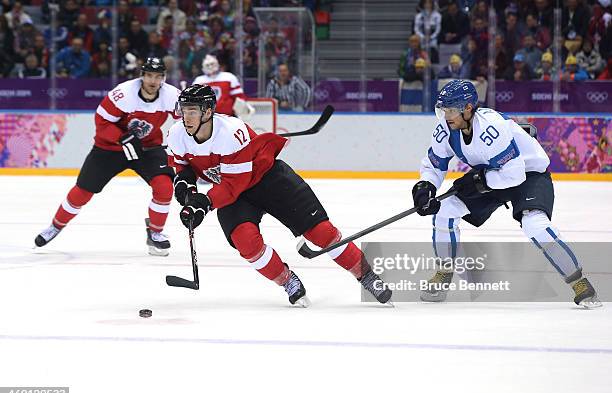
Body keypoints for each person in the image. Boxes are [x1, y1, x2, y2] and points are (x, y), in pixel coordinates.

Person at [167, 84, 393, 306]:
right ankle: (287, 281)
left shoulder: (229, 133)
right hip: (235, 196)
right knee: (246, 242)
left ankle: (367, 275)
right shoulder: (177, 133)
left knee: (322, 233)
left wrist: (204, 203)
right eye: (184, 110)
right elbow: (182, 165)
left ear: (208, 111)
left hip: (268, 180)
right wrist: (185, 187)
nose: (186, 117)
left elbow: (233, 184)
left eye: (193, 111)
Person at [411, 80, 601, 309]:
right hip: (491, 175)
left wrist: (479, 182)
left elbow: (514, 175)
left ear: (468, 108)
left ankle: (578, 281)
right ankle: (444, 272)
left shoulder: (492, 127)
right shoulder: (446, 128)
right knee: (445, 212)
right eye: (444, 109)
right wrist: (426, 187)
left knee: (535, 225)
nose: (446, 115)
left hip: (528, 175)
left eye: (451, 110)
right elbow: (434, 166)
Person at [35, 58, 181, 256]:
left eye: (158, 76)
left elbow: (185, 121)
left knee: (164, 187)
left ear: (163, 78)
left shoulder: (172, 95)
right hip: (110, 148)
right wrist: (122, 137)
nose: (153, 81)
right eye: (149, 75)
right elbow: (101, 122)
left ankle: (155, 233)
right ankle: (55, 226)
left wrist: (182, 141)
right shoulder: (123, 94)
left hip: (147, 148)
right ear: (142, 76)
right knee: (83, 191)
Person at [192, 54, 253, 118]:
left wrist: (245, 107)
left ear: (217, 64)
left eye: (212, 64)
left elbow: (239, 97)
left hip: (227, 117)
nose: (210, 67)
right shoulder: (198, 81)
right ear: (203, 67)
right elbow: (193, 100)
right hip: (207, 118)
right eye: (207, 65)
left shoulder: (228, 77)